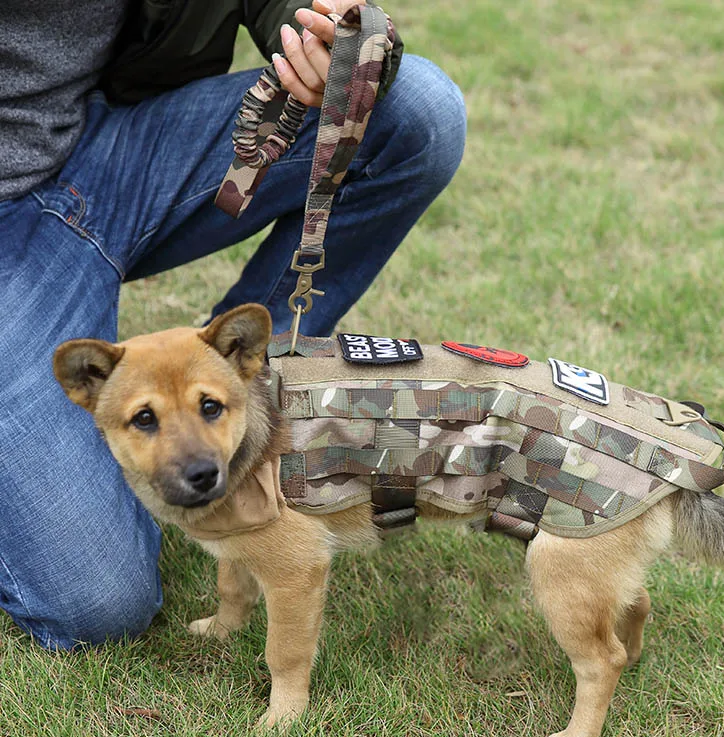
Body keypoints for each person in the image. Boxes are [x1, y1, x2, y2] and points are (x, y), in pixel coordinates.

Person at [0, 0, 467, 649]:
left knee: (414, 112)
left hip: (99, 144)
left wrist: (341, 37)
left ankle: (224, 384)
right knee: (96, 604)